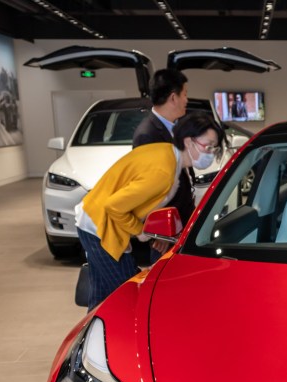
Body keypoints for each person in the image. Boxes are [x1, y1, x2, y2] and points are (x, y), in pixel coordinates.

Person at [76, 112, 223, 310]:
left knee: (101, 298)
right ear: (189, 141)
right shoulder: (164, 173)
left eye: (214, 147)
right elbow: (114, 207)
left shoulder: (167, 155)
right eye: (209, 146)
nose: (211, 152)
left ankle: (89, 336)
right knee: (129, 295)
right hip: (99, 227)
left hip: (93, 218)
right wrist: (141, 232)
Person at [133, 69, 196, 228]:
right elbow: (147, 191)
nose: (187, 100)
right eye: (185, 94)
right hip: (167, 227)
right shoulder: (147, 135)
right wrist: (159, 228)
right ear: (173, 98)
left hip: (181, 219)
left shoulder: (173, 126)